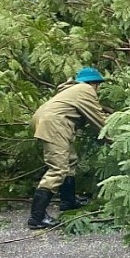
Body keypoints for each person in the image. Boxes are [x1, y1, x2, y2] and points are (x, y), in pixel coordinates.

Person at [28, 67, 107, 229]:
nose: (97, 88)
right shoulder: (85, 89)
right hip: (54, 124)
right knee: (58, 168)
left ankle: (68, 201)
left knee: (70, 161)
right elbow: (99, 120)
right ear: (94, 83)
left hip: (49, 121)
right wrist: (116, 139)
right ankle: (37, 217)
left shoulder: (71, 90)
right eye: (97, 84)